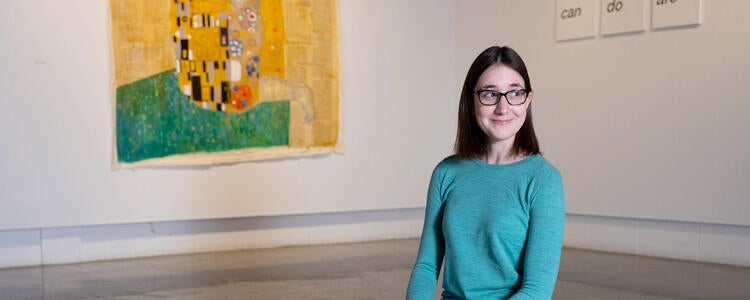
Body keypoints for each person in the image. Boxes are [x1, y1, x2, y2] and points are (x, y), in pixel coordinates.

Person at [406, 46, 565, 300]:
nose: (503, 108)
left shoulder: (544, 180)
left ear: (528, 99)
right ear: (471, 102)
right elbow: (427, 266)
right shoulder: (446, 172)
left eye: (514, 93)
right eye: (490, 94)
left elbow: (537, 290)